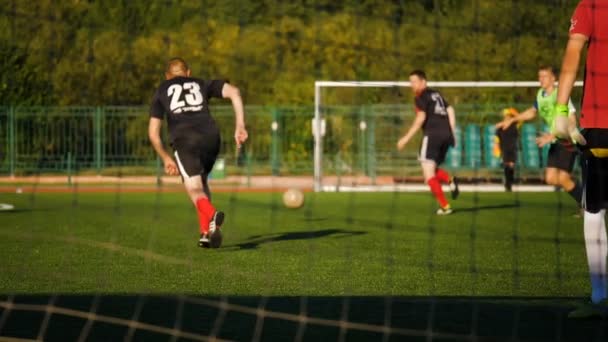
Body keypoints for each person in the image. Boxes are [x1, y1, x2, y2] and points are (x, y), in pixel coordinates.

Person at [148, 58, 248, 248]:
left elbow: (153, 133)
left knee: (194, 188)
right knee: (201, 182)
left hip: (185, 140)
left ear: (167, 76)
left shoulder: (162, 89)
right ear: (188, 73)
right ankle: (205, 233)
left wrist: (166, 158)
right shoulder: (200, 83)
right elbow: (234, 92)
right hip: (211, 137)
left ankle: (212, 214)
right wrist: (240, 126)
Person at [552, 0, 608, 318]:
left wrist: (561, 110)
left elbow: (573, 52)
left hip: (602, 123)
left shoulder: (592, 4)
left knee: (595, 212)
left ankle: (600, 297)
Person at [496, 66, 582, 207]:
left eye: (544, 76)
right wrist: (512, 119)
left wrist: (554, 134)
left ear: (553, 78)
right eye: (539, 76)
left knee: (563, 178)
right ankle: (585, 196)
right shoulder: (540, 94)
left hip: (568, 140)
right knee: (551, 178)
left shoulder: (561, 94)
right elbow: (532, 112)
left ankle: (588, 203)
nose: (541, 79)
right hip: (554, 141)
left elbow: (572, 120)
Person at [397, 70, 459, 215]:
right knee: (430, 169)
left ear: (423, 81)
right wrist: (452, 132)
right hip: (445, 135)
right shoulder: (436, 94)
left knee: (428, 176)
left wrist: (406, 138)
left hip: (432, 136)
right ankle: (450, 179)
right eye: (410, 82)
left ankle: (445, 206)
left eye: (414, 81)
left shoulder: (420, 97)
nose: (411, 84)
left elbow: (421, 118)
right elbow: (450, 109)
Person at [495, 108, 520, 192]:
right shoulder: (500, 127)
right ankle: (507, 184)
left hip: (513, 148)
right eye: (506, 116)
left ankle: (510, 181)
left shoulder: (515, 125)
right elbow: (497, 139)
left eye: (509, 116)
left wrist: (511, 110)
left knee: (511, 166)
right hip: (504, 148)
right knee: (506, 165)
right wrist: (497, 148)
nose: (507, 118)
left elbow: (519, 117)